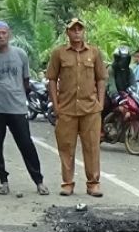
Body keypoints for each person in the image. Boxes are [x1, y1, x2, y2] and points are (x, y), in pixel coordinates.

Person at [0, 21, 49, 196]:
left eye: (3, 33)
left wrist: (15, 93)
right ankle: (3, 181)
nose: (0, 36)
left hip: (17, 108)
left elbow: (26, 81)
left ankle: (39, 181)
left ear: (9, 35)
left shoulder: (20, 55)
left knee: (26, 144)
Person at [45, 17, 107, 197]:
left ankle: (93, 183)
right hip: (66, 109)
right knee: (66, 147)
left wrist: (100, 104)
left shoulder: (94, 53)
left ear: (84, 31)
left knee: (92, 147)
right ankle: (67, 183)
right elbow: (52, 79)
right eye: (73, 29)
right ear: (68, 33)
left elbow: (101, 78)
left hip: (90, 109)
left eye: (80, 29)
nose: (77, 32)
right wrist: (56, 106)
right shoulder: (59, 53)